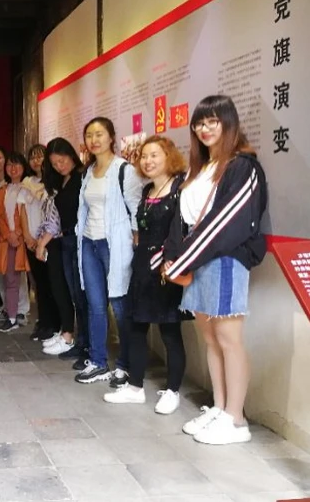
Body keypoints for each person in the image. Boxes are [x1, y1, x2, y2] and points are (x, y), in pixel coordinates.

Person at [163, 95, 268, 445]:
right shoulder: (200, 168)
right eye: (199, 123)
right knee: (210, 339)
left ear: (228, 123)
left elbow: (226, 222)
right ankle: (220, 408)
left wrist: (184, 258)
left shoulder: (242, 166)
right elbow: (182, 220)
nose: (205, 129)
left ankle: (236, 420)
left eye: (213, 121)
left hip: (225, 260)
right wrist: (173, 255)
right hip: (198, 261)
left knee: (229, 339)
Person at [104, 136, 187, 415]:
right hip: (141, 268)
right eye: (144, 156)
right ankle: (135, 387)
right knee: (136, 327)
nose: (148, 161)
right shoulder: (147, 190)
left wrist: (168, 259)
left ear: (169, 156)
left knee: (169, 332)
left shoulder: (180, 188)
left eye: (155, 155)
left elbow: (182, 231)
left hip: (166, 269)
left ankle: (173, 391)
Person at [75, 117, 142, 385]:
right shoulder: (88, 171)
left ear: (112, 137)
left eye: (99, 134)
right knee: (95, 306)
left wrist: (135, 241)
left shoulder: (124, 170)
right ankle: (98, 362)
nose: (94, 140)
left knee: (120, 304)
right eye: (89, 135)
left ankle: (125, 364)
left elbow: (136, 209)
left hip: (114, 244)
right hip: (89, 242)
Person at [19, 146, 75, 353]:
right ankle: (52, 326)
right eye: (33, 157)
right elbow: (26, 212)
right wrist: (31, 238)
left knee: (58, 287)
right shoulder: (28, 183)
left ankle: (62, 330)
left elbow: (54, 216)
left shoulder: (58, 183)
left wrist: (42, 241)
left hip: (56, 240)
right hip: (43, 240)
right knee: (45, 286)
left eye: (40, 157)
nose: (37, 161)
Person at [43, 138, 90, 370]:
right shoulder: (63, 180)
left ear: (71, 155)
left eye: (62, 160)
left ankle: (86, 344)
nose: (59, 166)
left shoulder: (83, 176)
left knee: (83, 296)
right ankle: (80, 342)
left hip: (79, 240)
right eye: (54, 164)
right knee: (75, 295)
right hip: (66, 241)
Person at [0, 147, 28, 321]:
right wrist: (7, 233)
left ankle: (22, 309)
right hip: (1, 236)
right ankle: (9, 307)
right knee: (4, 272)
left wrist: (17, 233)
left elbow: (25, 214)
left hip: (21, 237)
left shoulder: (26, 186)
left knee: (20, 274)